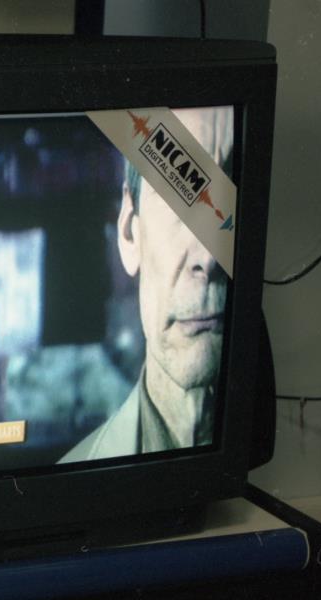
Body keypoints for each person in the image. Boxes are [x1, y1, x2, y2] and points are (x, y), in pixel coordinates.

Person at [60, 107, 232, 462]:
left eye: (231, 205)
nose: (208, 257)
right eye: (177, 199)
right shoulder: (74, 470)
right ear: (129, 233)